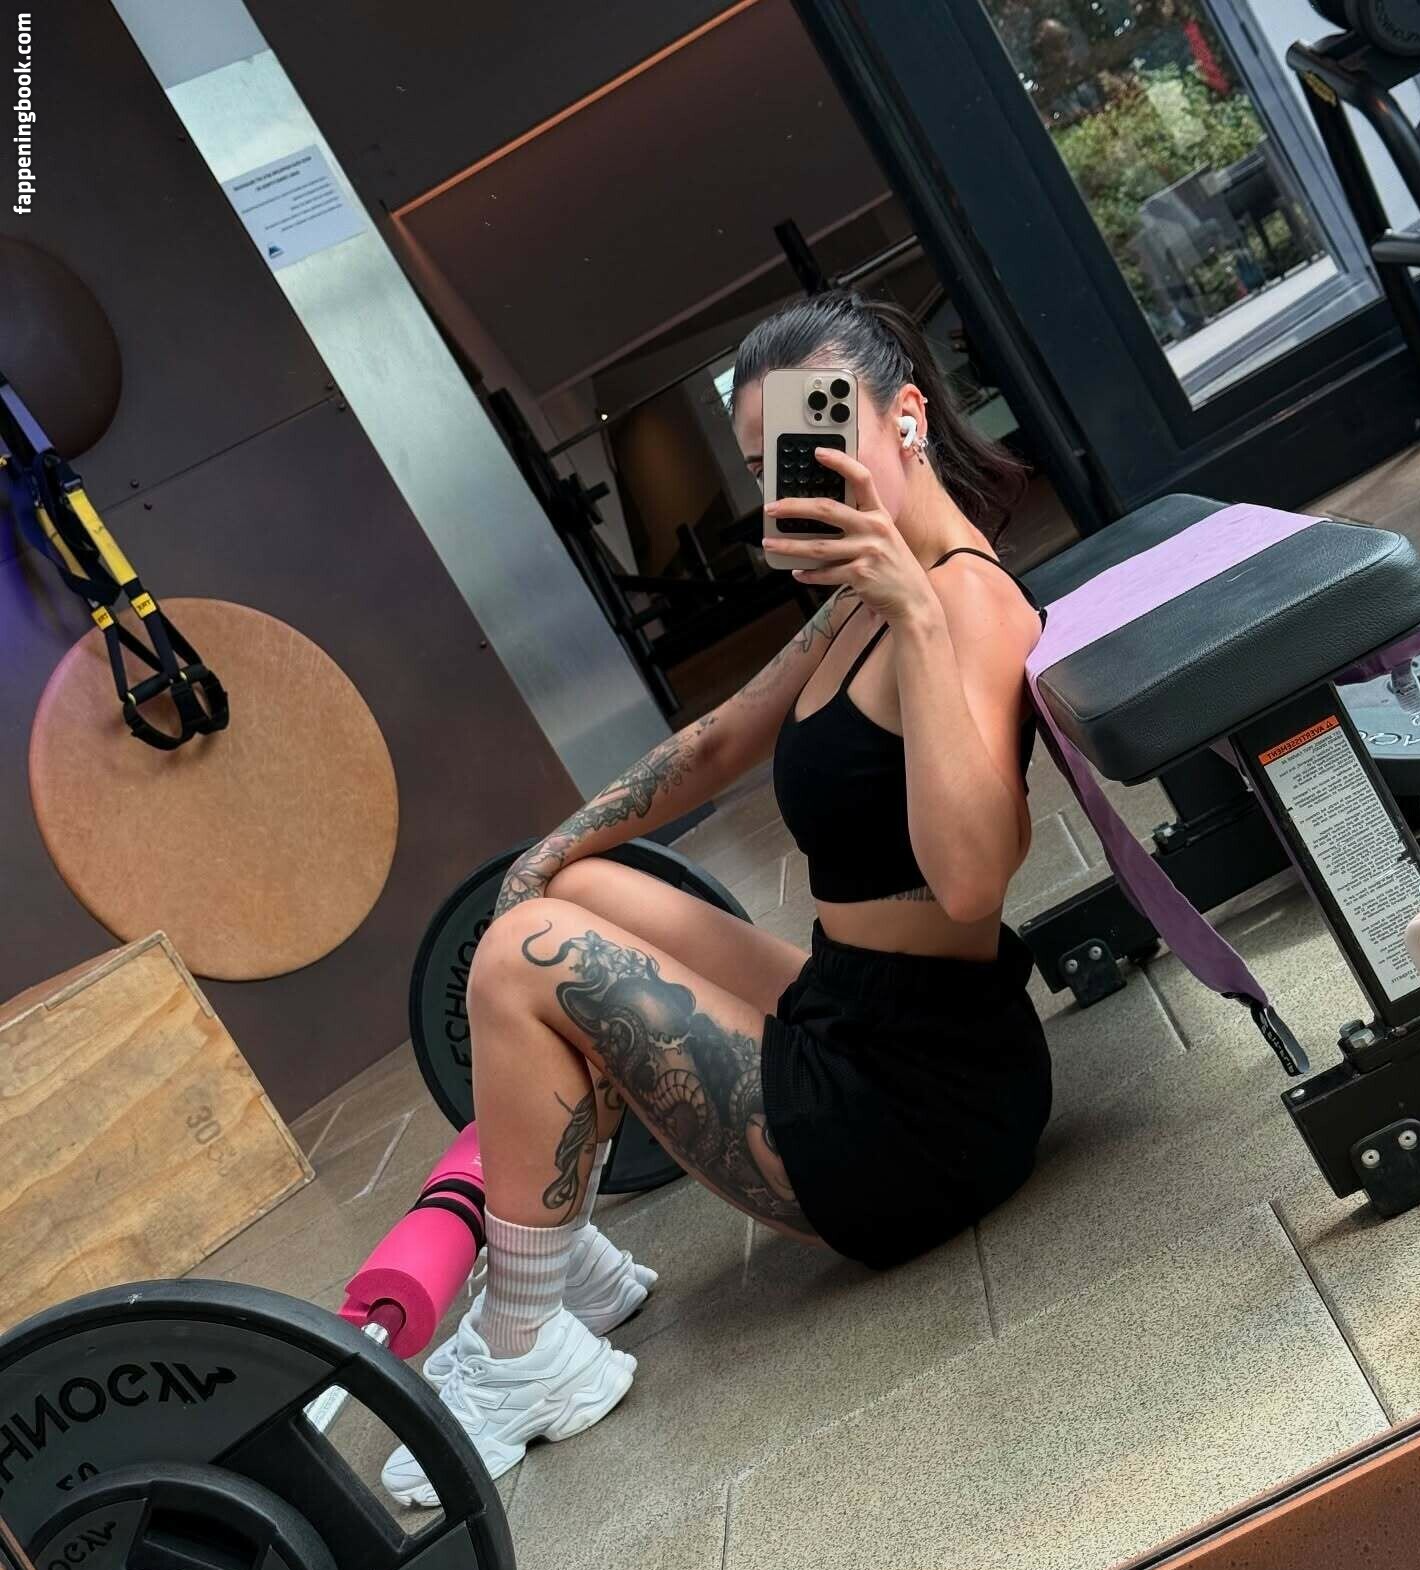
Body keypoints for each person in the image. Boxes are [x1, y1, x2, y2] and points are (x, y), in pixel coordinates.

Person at [382, 291, 1054, 1505]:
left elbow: (971, 882)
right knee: (572, 893)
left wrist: (912, 613)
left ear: (906, 418)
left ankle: (526, 1350)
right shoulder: (859, 599)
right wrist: (547, 852)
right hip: (853, 1009)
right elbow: (720, 740)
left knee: (527, 958)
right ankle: (560, 1259)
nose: (792, 484)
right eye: (765, 465)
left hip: (917, 1121)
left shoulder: (965, 604)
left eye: (817, 443)